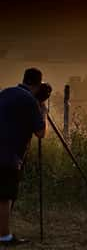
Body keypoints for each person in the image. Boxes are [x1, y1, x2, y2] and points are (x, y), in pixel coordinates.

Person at [0, 68, 47, 246]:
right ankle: (4, 236)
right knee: (5, 196)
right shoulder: (30, 101)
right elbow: (41, 133)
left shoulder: (6, 92)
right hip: (8, 155)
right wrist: (42, 109)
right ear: (36, 84)